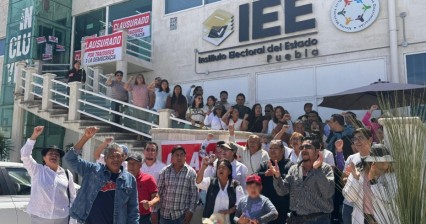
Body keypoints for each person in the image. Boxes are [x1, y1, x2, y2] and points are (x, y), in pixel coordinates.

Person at [63, 127, 139, 224]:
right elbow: (70, 158)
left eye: (118, 156)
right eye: (112, 156)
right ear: (105, 159)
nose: (115, 159)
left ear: (123, 159)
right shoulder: (93, 170)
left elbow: (133, 209)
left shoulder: (130, 179)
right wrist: (85, 137)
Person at [271, 137, 335, 224]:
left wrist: (317, 170)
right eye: (302, 147)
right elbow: (282, 191)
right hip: (295, 219)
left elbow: (328, 192)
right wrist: (277, 176)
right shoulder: (294, 169)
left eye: (308, 147)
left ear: (317, 150)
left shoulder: (325, 169)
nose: (304, 150)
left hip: (318, 220)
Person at [21, 126, 77, 224]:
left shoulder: (67, 174)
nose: (54, 155)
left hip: (62, 218)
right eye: (50, 153)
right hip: (40, 217)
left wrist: (73, 220)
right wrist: (34, 136)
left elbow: (73, 197)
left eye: (57, 154)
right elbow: (25, 155)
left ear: (59, 158)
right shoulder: (37, 170)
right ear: (44, 157)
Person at [343, 144, 398, 224]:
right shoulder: (359, 171)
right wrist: (355, 179)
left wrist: (373, 181)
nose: (385, 163)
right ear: (372, 162)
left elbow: (388, 198)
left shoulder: (392, 176)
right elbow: (349, 198)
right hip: (362, 219)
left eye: (387, 160)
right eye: (381, 161)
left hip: (383, 220)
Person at [154, 146, 198, 224]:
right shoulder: (164, 171)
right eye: (176, 155)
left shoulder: (191, 173)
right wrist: (154, 211)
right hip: (164, 216)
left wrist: (191, 212)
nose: (179, 157)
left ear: (185, 157)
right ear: (172, 157)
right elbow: (158, 193)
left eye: (182, 155)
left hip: (182, 216)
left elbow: (194, 195)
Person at [339, 128, 374, 224]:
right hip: (350, 204)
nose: (357, 141)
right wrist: (349, 178)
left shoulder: (377, 158)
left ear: (370, 140)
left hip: (371, 207)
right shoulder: (351, 158)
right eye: (355, 139)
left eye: (361, 138)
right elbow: (342, 179)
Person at [256, 140, 294, 224]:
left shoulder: (290, 165)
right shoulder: (264, 164)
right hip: (266, 208)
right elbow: (254, 176)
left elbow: (292, 181)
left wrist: (277, 175)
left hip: (283, 207)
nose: (272, 150)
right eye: (270, 148)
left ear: (282, 150)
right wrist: (264, 174)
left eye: (275, 148)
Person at [197, 158, 245, 224]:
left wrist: (228, 211)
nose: (220, 169)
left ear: (229, 171)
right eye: (219, 168)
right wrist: (203, 167)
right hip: (210, 222)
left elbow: (241, 204)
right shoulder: (210, 182)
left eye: (224, 168)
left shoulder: (236, 185)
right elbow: (198, 183)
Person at [126, 153, 160, 224]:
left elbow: (157, 197)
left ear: (140, 165)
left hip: (144, 218)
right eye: (129, 163)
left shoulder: (148, 179)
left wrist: (149, 203)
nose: (131, 166)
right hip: (126, 217)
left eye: (134, 163)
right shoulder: (123, 179)